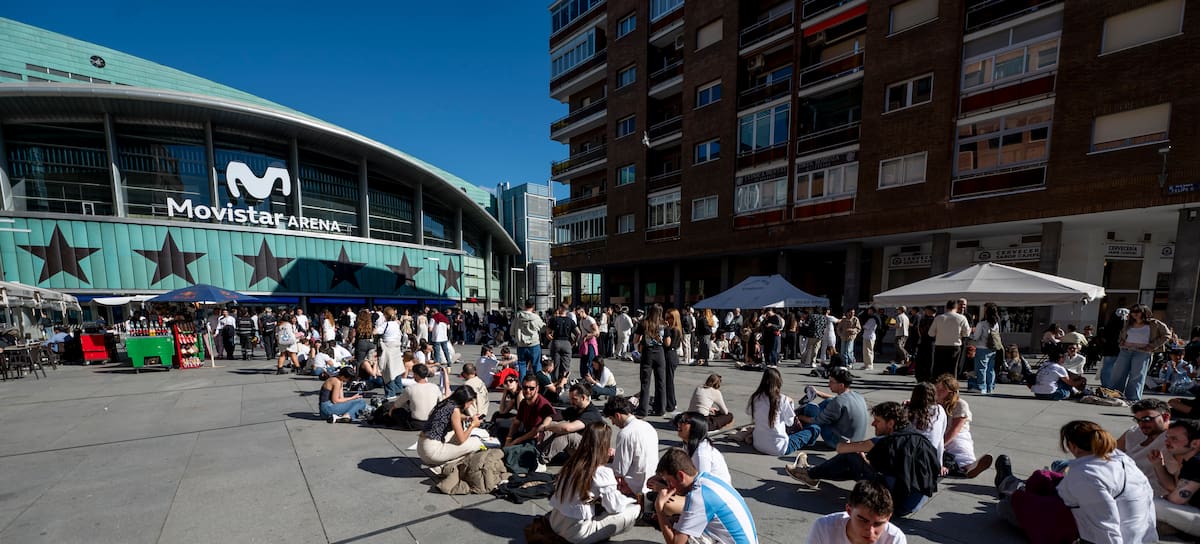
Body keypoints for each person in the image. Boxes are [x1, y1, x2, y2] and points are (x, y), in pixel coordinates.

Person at [788, 402, 939, 517]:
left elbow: (842, 449)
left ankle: (810, 474)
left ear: (891, 423)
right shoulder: (921, 440)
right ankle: (814, 475)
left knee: (851, 457)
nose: (873, 424)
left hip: (893, 505)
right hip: (912, 504)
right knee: (859, 464)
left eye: (877, 421)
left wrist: (852, 447)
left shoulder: (886, 442)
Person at [1056, 420, 1158, 543]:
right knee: (1059, 466)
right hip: (1144, 536)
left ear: (1073, 446)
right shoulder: (1121, 458)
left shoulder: (1085, 475)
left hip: (1123, 538)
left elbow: (1105, 524)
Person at [548, 421, 640, 544]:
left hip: (555, 522)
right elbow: (614, 507)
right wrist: (633, 500)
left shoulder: (571, 464)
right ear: (605, 444)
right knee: (633, 509)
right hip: (576, 533)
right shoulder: (601, 472)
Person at [652, 447, 759, 544]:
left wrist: (659, 508)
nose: (670, 487)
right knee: (681, 526)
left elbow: (675, 543)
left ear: (680, 476)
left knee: (685, 538)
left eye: (669, 481)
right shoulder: (708, 479)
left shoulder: (698, 497)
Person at [653, 412, 733, 518]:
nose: (679, 424)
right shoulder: (689, 446)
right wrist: (661, 478)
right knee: (658, 488)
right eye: (680, 420)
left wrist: (665, 488)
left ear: (696, 427)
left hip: (716, 501)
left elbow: (701, 489)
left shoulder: (701, 453)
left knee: (668, 504)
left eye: (684, 422)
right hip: (703, 495)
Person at [807, 480, 907, 544]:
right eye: (863, 520)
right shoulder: (824, 528)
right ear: (849, 511)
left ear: (888, 518)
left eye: (878, 524)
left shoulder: (895, 539)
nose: (870, 531)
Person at [1147, 419, 1200, 537]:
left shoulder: (1196, 463)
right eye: (1167, 437)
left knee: (1149, 502)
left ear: (1195, 443)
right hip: (1194, 511)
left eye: (1174, 439)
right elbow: (1174, 487)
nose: (1167, 441)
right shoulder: (1189, 460)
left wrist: (1167, 497)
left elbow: (1177, 499)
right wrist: (1158, 464)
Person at [933, 374, 992, 478]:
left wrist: (941, 445)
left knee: (960, 448)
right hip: (938, 432)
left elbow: (955, 430)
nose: (938, 391)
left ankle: (970, 467)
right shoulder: (934, 402)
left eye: (942, 390)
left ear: (950, 392)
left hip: (957, 434)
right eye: (937, 388)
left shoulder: (960, 404)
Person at [796, 368, 870, 450]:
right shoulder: (857, 395)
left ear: (841, 385)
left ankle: (806, 438)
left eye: (831, 382)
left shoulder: (838, 402)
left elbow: (817, 420)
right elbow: (836, 399)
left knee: (811, 408)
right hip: (856, 440)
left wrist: (799, 416)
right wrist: (819, 393)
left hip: (839, 443)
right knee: (829, 401)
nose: (829, 384)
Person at [416, 385, 484, 470]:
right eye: (470, 403)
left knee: (454, 433)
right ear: (466, 401)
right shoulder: (455, 410)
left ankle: (442, 460)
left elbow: (454, 417)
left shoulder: (446, 402)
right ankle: (444, 466)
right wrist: (473, 425)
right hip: (432, 452)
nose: (470, 406)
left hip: (422, 446)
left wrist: (468, 418)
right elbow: (461, 439)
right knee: (476, 443)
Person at [604, 396, 660, 498]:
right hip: (651, 477)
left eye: (612, 419)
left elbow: (620, 470)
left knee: (598, 471)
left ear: (617, 415)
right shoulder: (648, 426)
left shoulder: (625, 433)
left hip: (634, 484)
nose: (612, 423)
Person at [1116, 399, 1174, 496]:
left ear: (1165, 417)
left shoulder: (1175, 439)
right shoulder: (1133, 432)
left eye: (1146, 419)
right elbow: (1109, 453)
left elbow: (1174, 486)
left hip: (1151, 494)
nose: (1141, 424)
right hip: (1122, 485)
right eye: (1137, 420)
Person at [539, 383, 604, 465]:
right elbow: (553, 416)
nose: (571, 402)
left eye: (574, 399)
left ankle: (541, 460)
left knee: (566, 434)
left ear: (583, 398)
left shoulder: (592, 414)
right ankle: (537, 451)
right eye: (570, 399)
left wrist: (546, 427)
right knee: (554, 424)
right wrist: (544, 426)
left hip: (591, 454)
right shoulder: (576, 409)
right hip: (580, 448)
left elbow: (568, 428)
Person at [634, 304, 669, 417]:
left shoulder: (644, 323)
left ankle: (643, 410)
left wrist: (641, 342)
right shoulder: (664, 324)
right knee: (661, 382)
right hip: (660, 353)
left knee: (645, 382)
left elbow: (635, 340)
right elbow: (667, 342)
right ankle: (660, 409)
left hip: (647, 354)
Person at [505, 373, 557, 447]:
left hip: (538, 439)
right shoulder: (524, 402)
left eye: (531, 388)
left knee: (517, 448)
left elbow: (534, 432)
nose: (528, 391)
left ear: (537, 388)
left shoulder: (541, 404)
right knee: (502, 430)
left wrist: (515, 441)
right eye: (525, 387)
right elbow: (516, 422)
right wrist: (509, 438)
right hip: (527, 433)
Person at [928, 301, 970, 381]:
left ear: (946, 307)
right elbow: (966, 334)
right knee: (952, 368)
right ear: (956, 307)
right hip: (954, 346)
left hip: (940, 345)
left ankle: (937, 386)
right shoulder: (961, 318)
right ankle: (952, 387)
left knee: (938, 368)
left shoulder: (939, 318)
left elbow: (931, 333)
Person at [969, 302, 1001, 394]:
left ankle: (981, 386)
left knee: (981, 368)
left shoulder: (982, 324)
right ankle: (990, 387)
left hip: (982, 348)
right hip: (993, 348)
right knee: (990, 369)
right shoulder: (996, 324)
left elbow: (976, 337)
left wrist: (970, 334)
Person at [510, 298, 546, 379]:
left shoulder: (518, 316)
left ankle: (523, 385)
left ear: (524, 305)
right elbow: (543, 329)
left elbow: (511, 331)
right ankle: (537, 384)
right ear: (533, 306)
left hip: (521, 344)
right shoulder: (536, 317)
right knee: (536, 365)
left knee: (522, 366)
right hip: (534, 344)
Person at [376, 307, 407, 398]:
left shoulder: (385, 325)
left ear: (385, 315)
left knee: (387, 370)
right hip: (396, 348)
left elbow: (375, 332)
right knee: (396, 369)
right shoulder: (396, 324)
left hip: (387, 348)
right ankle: (398, 388)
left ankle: (390, 392)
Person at [1098, 309, 1128, 388]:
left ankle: (1106, 385)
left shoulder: (1109, 324)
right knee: (1118, 369)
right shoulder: (1126, 325)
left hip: (1109, 348)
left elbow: (1104, 336)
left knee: (1107, 367)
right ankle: (1113, 386)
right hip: (1120, 349)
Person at [663, 308, 683, 412]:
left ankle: (670, 404)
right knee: (667, 381)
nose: (667, 319)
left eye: (669, 317)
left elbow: (668, 344)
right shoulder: (674, 329)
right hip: (671, 354)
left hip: (670, 354)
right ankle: (670, 402)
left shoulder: (674, 330)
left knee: (669, 381)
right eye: (666, 316)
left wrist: (666, 329)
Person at [577, 306, 600, 378]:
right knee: (583, 361)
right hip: (584, 342)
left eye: (578, 314)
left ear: (582, 311)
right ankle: (584, 376)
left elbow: (597, 332)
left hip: (591, 342)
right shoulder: (581, 321)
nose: (577, 316)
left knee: (591, 360)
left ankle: (591, 376)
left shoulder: (590, 320)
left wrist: (588, 335)